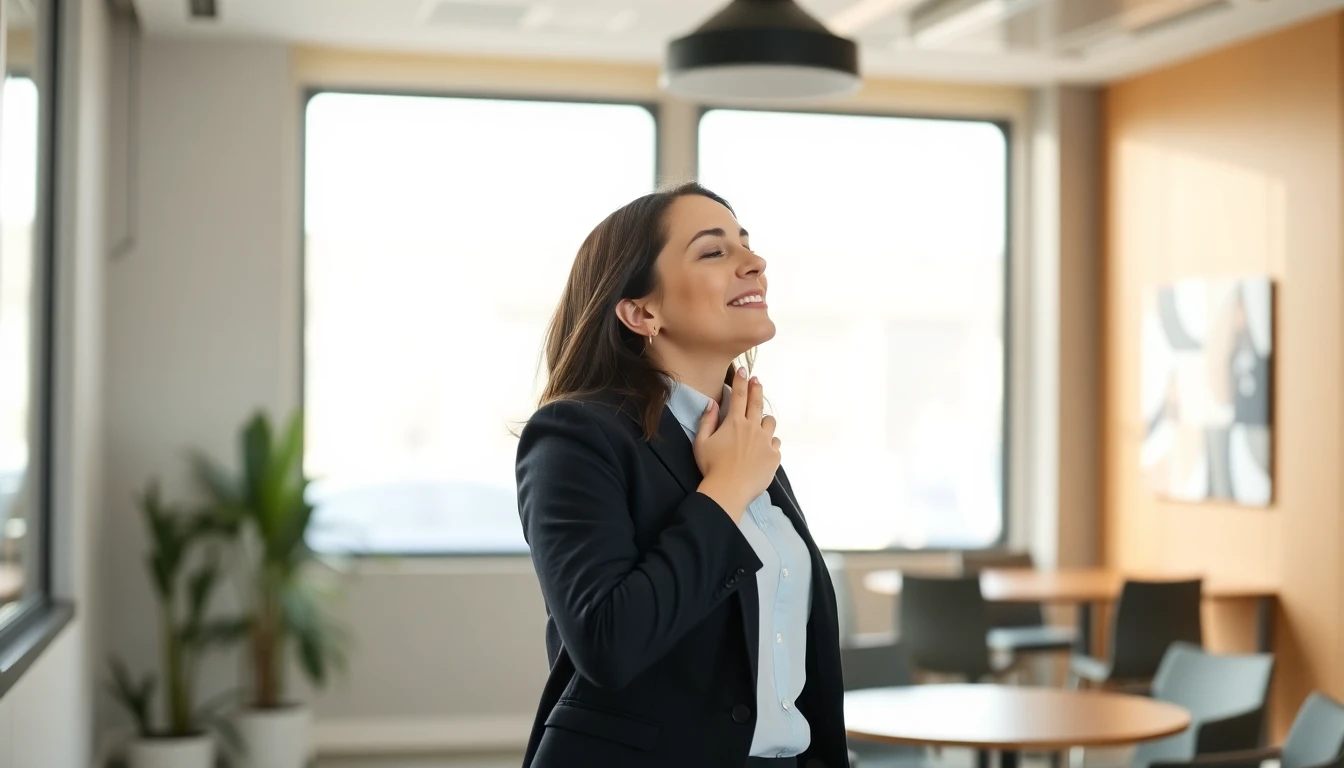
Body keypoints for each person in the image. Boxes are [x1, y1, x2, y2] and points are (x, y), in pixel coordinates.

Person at [514, 182, 849, 768]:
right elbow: (607, 642)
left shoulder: (743, 436)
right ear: (643, 312)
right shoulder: (576, 434)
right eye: (714, 251)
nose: (755, 262)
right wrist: (722, 493)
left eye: (746, 243)